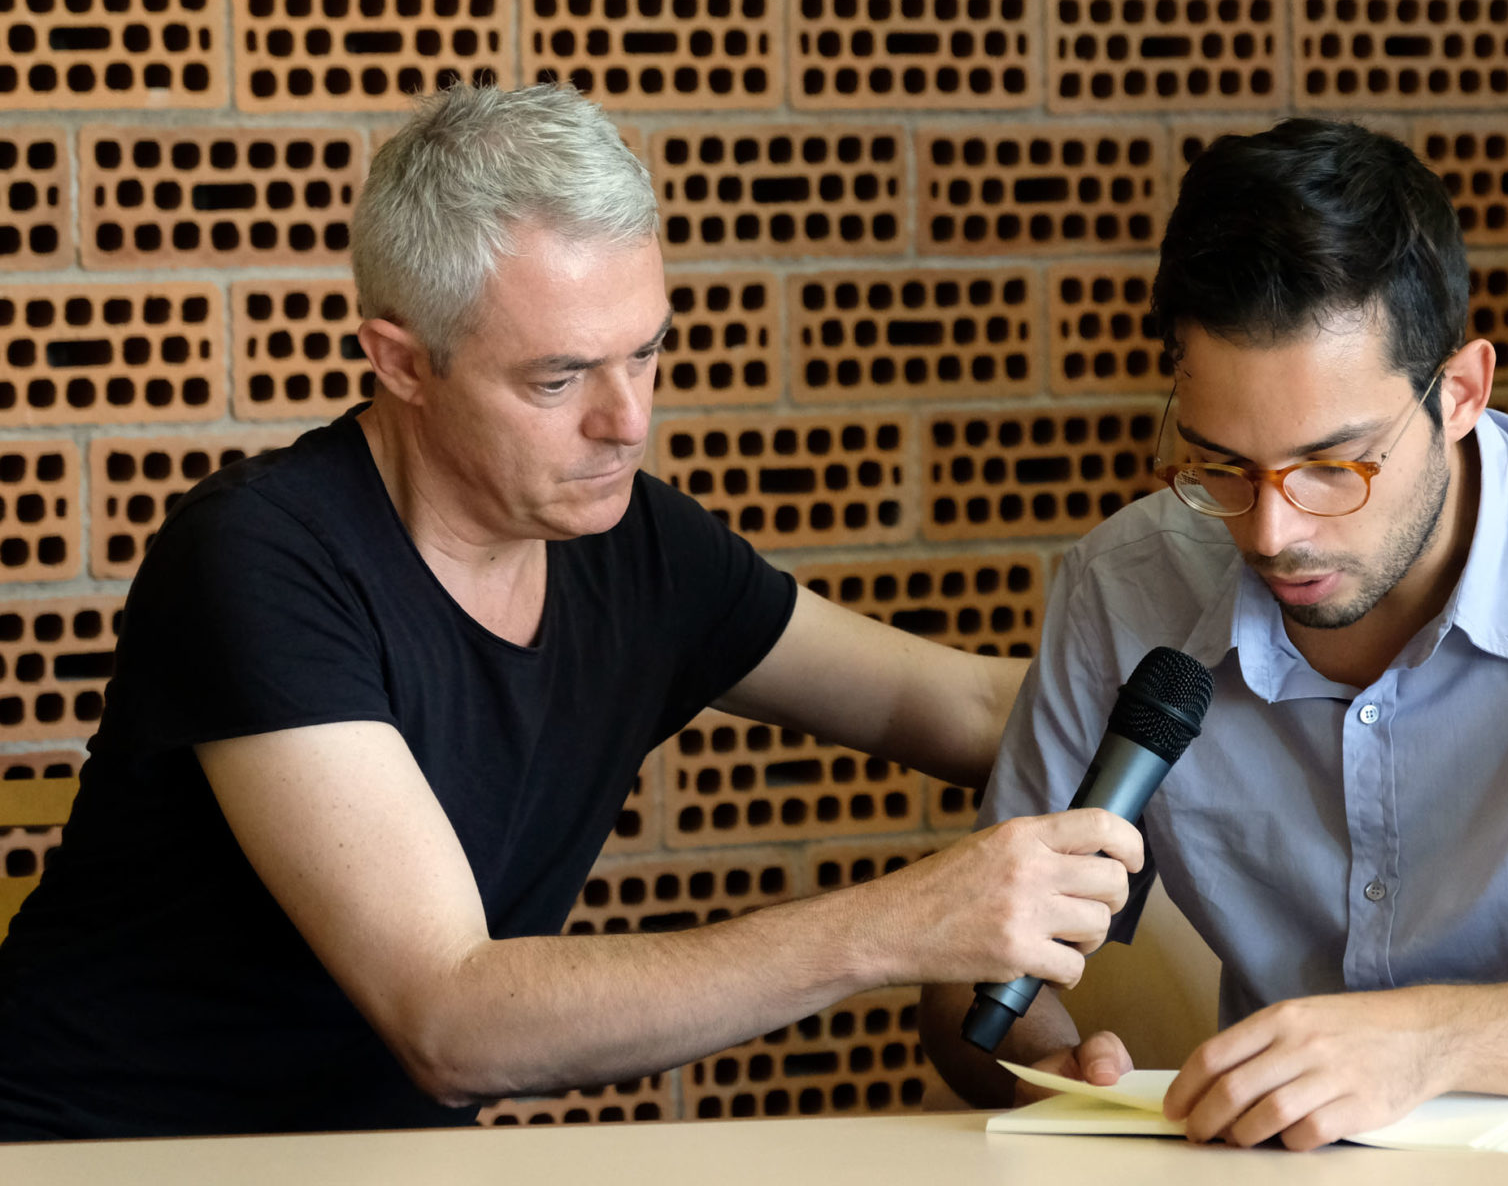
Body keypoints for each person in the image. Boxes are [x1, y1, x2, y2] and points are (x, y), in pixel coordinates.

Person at [0, 83, 1141, 1141]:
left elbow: (968, 705)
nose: (627, 421)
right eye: (558, 380)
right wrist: (899, 924)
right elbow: (452, 1021)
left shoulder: (632, 543)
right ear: (401, 362)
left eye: (647, 354)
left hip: (374, 1167)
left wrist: (1271, 679)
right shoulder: (262, 559)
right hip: (95, 1154)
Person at [920, 118, 1508, 1150]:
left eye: (1334, 466)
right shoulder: (1125, 587)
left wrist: (1428, 1042)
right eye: (1221, 465)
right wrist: (1047, 1063)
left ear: (1460, 393)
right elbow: (974, 984)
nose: (1273, 533)